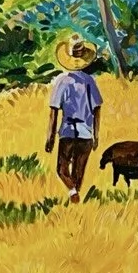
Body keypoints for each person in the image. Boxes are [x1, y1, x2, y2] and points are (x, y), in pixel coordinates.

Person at [44, 35, 103, 197]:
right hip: (86, 133)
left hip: (67, 132)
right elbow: (97, 109)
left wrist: (50, 137)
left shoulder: (61, 81)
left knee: (62, 169)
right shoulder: (90, 81)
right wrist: (96, 135)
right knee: (79, 171)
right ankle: (75, 193)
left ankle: (72, 192)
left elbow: (53, 112)